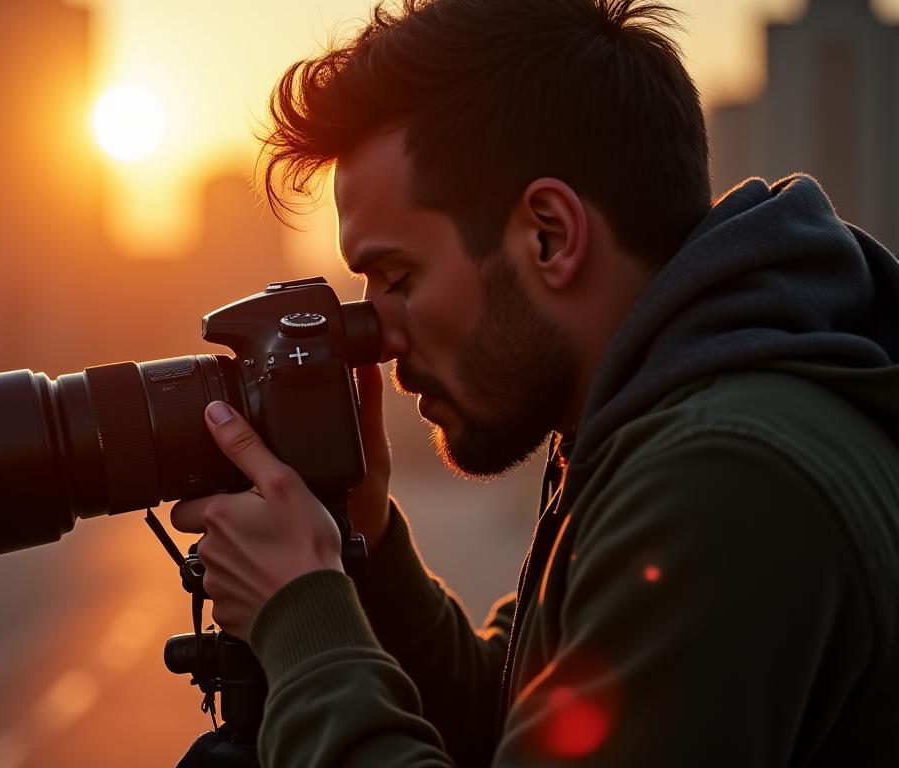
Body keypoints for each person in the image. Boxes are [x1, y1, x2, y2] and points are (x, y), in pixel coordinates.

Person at [170, 0, 899, 764]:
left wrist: (301, 617)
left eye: (397, 276)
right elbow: (525, 724)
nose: (378, 337)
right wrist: (367, 543)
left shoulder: (723, 474)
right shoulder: (667, 417)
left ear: (549, 235)